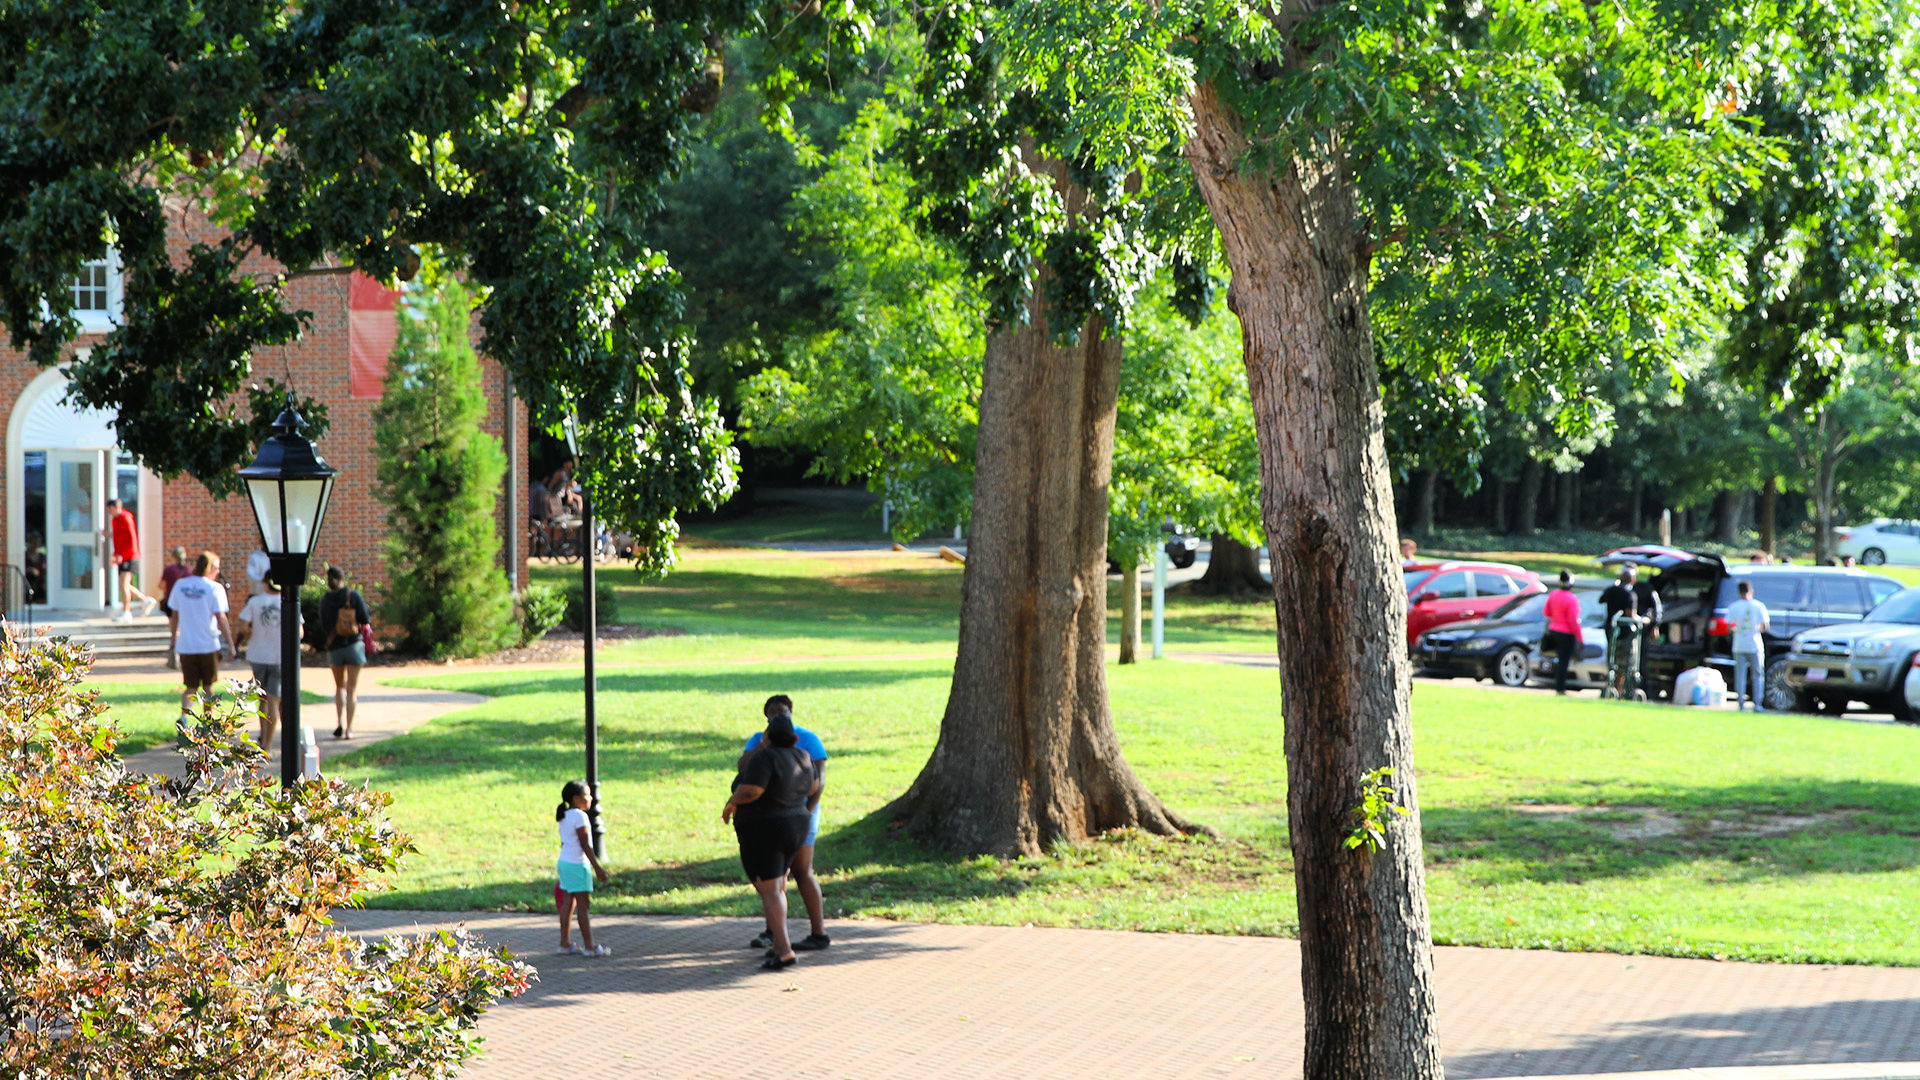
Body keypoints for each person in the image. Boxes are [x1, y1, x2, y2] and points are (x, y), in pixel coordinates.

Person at [722, 711, 819, 971]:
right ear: (794, 737)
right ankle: (779, 945)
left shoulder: (764, 757)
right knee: (777, 886)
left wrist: (732, 802)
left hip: (766, 830)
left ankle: (785, 950)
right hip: (797, 825)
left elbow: (752, 790)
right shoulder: (804, 756)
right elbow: (813, 787)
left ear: (767, 735)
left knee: (770, 889)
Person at [741, 695, 831, 952]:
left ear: (791, 711)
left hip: (799, 815)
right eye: (772, 712)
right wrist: (764, 744)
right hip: (771, 819)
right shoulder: (758, 740)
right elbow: (744, 767)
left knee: (802, 872)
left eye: (782, 711)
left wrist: (807, 812)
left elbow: (819, 780)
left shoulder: (809, 739)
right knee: (773, 879)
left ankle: (818, 932)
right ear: (766, 716)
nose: (778, 715)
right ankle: (774, 933)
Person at [166, 552, 234, 726]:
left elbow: (174, 615)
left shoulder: (181, 585)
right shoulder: (214, 588)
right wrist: (231, 644)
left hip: (186, 644)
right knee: (208, 686)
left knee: (190, 685)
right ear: (210, 567)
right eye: (217, 567)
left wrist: (173, 638)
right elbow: (221, 618)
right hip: (208, 644)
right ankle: (208, 721)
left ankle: (184, 717)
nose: (218, 572)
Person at [554, 780, 613, 957]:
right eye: (587, 795)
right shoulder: (580, 816)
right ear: (576, 798)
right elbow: (585, 845)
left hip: (564, 862)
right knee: (583, 906)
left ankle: (564, 944)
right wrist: (598, 868)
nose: (591, 798)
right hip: (577, 864)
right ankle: (590, 947)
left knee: (567, 903)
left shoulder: (565, 815)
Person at [316, 567, 371, 739]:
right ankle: (349, 729)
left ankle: (339, 723)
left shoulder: (325, 600)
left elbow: (323, 623)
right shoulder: (352, 596)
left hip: (334, 648)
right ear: (342, 578)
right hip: (353, 645)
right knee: (352, 689)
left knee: (339, 687)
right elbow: (365, 618)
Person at [234, 577, 284, 750]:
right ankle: (268, 746)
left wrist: (252, 635)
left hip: (258, 655)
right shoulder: (287, 600)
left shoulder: (255, 602)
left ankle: (264, 741)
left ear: (265, 583)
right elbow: (299, 632)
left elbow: (243, 627)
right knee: (274, 701)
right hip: (279, 656)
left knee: (262, 700)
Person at [102, 498, 156, 622]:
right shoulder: (115, 520)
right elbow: (118, 538)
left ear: (116, 507)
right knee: (124, 584)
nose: (109, 512)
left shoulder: (126, 518)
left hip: (130, 556)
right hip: (122, 556)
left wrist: (122, 555)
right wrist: (115, 554)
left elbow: (132, 539)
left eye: (110, 509)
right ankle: (145, 600)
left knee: (124, 584)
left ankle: (127, 613)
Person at [1726, 579, 1771, 712]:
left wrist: (1738, 629)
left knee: (1740, 675)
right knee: (1757, 674)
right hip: (1755, 644)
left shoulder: (1733, 607)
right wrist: (1755, 628)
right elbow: (1765, 626)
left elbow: (1729, 627)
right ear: (1751, 591)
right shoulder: (1758, 606)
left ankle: (1741, 703)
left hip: (1739, 644)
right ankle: (1758, 704)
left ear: (1739, 592)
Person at [1541, 571, 1584, 695]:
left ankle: (1556, 685)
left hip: (1554, 631)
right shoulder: (1571, 599)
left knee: (1559, 660)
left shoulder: (1553, 595)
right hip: (1566, 634)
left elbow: (1547, 613)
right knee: (1563, 662)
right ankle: (1560, 688)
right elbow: (1573, 621)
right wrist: (1580, 639)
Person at [159, 545, 192, 669]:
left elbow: (161, 585)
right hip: (186, 603)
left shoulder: (169, 570)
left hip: (171, 603)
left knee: (173, 628)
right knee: (183, 628)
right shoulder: (189, 570)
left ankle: (175, 652)